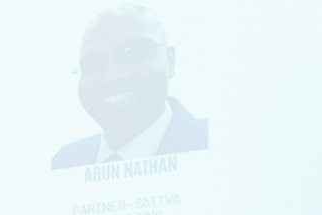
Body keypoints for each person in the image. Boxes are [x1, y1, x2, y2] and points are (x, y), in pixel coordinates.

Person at [52, 4, 207, 168]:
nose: (112, 76)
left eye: (133, 54)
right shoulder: (63, 164)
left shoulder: (217, 143)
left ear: (170, 62)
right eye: (94, 63)